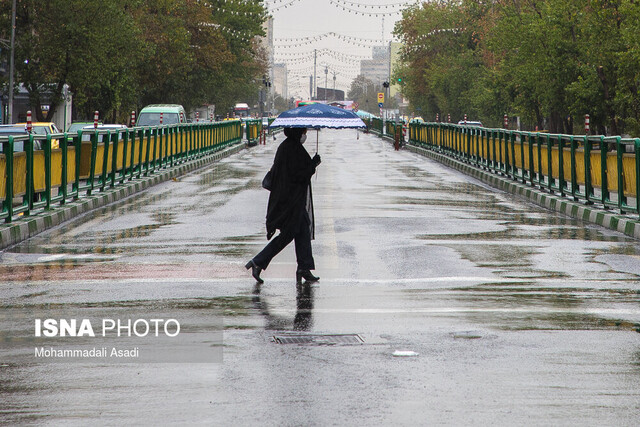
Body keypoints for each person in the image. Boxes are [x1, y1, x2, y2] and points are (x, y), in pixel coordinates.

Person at [245, 127, 321, 285]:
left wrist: (310, 165)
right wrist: (313, 164)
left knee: (303, 229)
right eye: (304, 132)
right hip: (289, 202)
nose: (305, 135)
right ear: (297, 132)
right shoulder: (291, 148)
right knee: (289, 234)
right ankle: (258, 262)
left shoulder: (289, 146)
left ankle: (304, 267)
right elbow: (298, 175)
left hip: (292, 200)